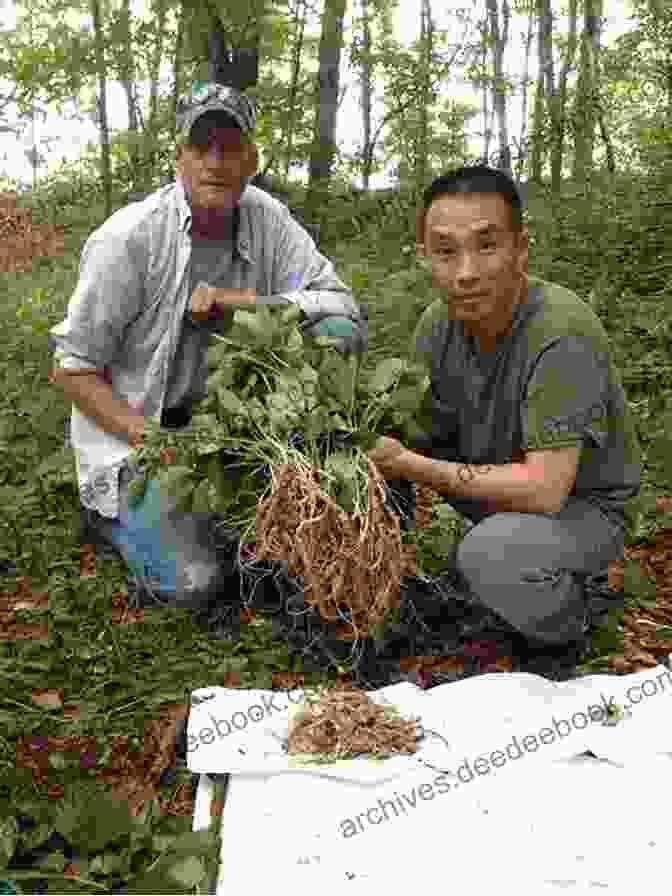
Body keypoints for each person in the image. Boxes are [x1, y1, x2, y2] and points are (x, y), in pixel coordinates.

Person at [49, 82, 367, 611]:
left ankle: (288, 472)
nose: (216, 161)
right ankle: (110, 517)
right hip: (143, 438)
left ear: (252, 158)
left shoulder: (267, 219)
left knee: (335, 334)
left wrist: (244, 304)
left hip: (230, 433)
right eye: (202, 147)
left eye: (230, 146)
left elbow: (341, 305)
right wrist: (151, 441)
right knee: (195, 584)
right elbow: (72, 369)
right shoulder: (130, 239)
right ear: (179, 158)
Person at [366, 164, 641, 653]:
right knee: (367, 458)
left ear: (521, 248)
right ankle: (374, 600)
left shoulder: (561, 334)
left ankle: (579, 616)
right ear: (424, 257)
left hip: (585, 509)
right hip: (498, 495)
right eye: (446, 252)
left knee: (493, 556)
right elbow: (409, 430)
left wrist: (412, 464)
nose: (466, 272)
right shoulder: (436, 327)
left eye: (487, 245)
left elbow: (545, 490)